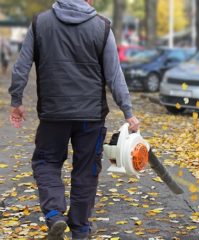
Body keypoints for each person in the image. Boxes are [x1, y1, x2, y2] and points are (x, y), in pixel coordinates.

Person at [8, 0, 140, 239]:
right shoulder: (102, 27)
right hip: (90, 117)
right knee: (86, 171)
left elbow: (21, 66)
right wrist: (128, 112)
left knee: (46, 163)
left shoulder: (40, 23)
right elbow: (114, 75)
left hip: (53, 114)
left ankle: (55, 215)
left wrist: (16, 101)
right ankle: (80, 230)